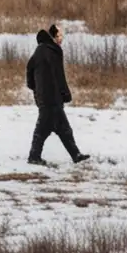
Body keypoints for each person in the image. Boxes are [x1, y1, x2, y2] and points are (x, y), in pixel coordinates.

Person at [26, 23, 90, 166]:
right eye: (59, 36)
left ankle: (76, 155)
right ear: (53, 37)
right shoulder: (54, 51)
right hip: (52, 98)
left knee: (63, 129)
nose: (61, 39)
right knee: (42, 130)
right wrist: (65, 93)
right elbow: (59, 76)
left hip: (44, 98)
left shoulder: (38, 52)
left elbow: (29, 74)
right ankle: (33, 157)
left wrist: (37, 88)